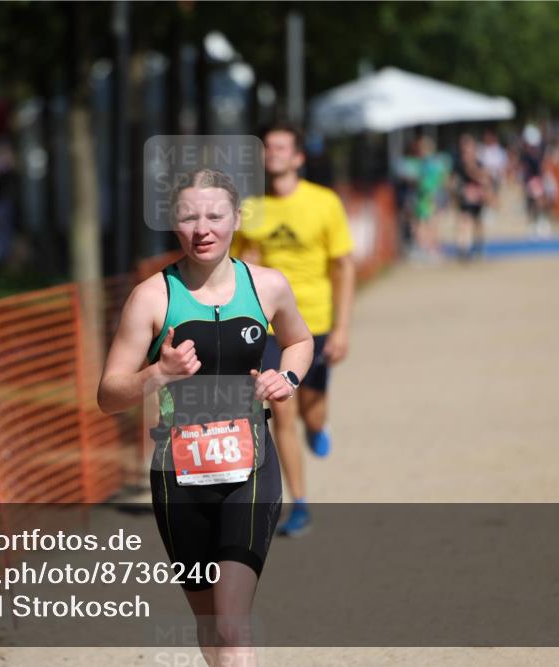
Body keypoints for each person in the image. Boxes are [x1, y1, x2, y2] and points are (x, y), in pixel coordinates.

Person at [98, 167, 313, 665]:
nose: (203, 228)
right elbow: (109, 395)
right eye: (189, 217)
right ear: (173, 223)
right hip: (178, 478)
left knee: (233, 623)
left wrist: (289, 378)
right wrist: (159, 373)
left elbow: (300, 341)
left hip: (251, 470)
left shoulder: (267, 286)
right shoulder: (152, 297)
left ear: (237, 218)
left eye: (215, 215)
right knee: (211, 625)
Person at [231, 122, 356, 537]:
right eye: (268, 147)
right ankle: (299, 503)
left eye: (282, 147)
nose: (274, 153)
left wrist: (341, 328)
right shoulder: (251, 210)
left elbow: (343, 267)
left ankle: (319, 425)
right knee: (280, 406)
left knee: (311, 409)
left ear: (299, 157)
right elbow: (233, 268)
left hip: (315, 321)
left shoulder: (324, 203)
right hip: (267, 326)